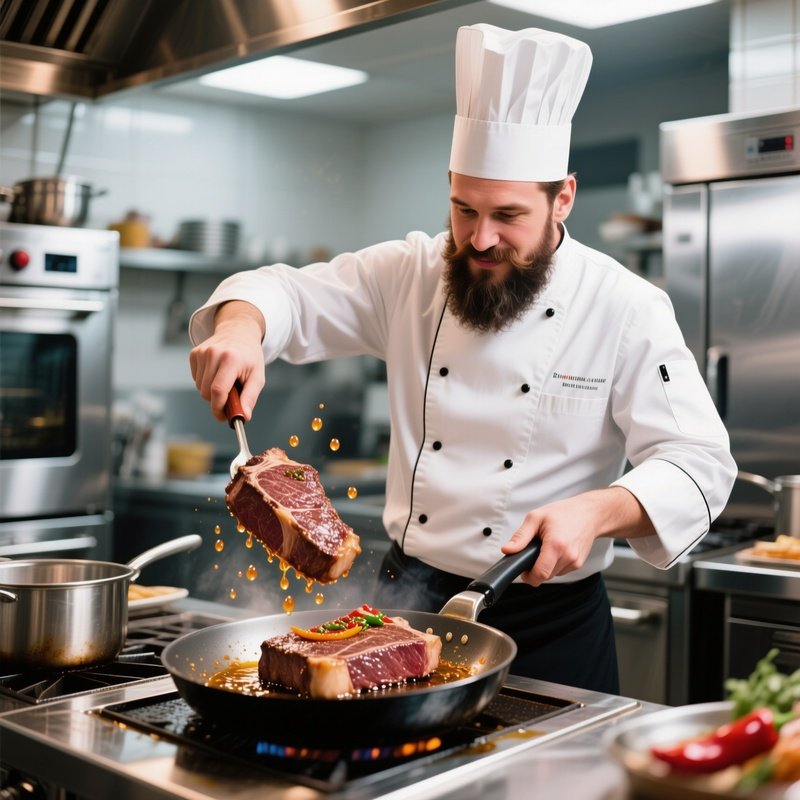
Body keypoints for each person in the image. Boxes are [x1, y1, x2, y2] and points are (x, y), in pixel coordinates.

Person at [189, 24, 736, 694]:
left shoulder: (624, 306)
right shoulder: (409, 273)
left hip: (549, 627)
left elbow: (699, 462)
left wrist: (599, 510)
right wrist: (241, 329)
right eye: (463, 209)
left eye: (508, 215)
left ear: (562, 198)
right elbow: (285, 293)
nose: (480, 238)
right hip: (402, 609)